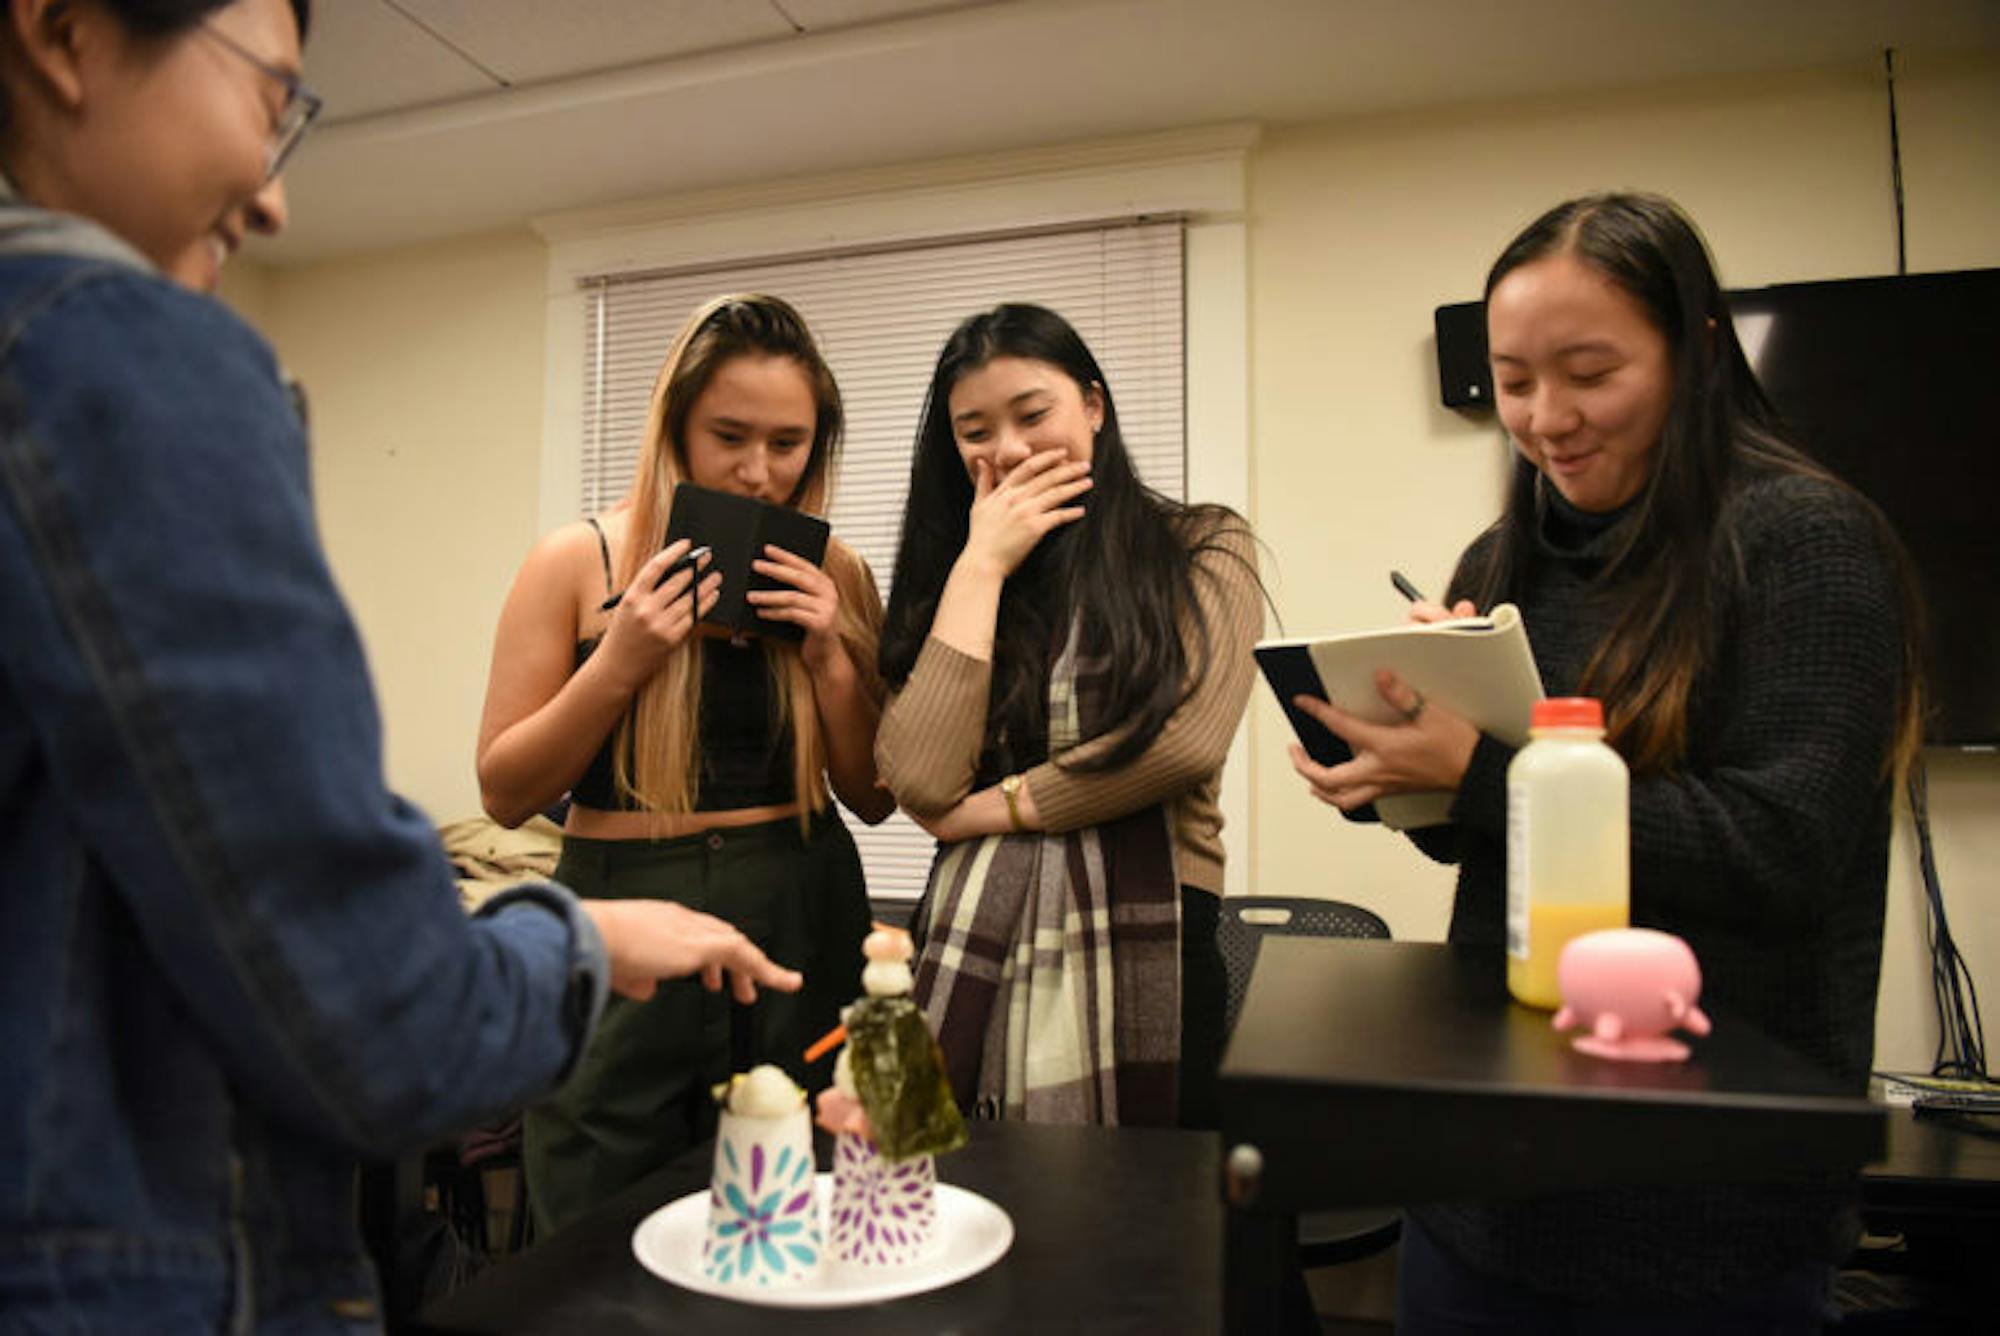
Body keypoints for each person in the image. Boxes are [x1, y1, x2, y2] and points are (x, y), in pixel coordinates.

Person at [0, 1, 802, 1330]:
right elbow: (379, 1018)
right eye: (271, 99)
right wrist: (581, 936)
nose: (273, 203)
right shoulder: (118, 359)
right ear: (63, 32)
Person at [1289, 193, 1924, 1332]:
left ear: (1697, 350)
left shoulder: (1803, 543)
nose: (1545, 418)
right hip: (1488, 1168)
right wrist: (1399, 768)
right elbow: (1490, 842)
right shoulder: (1506, 554)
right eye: (1514, 381)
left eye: (1589, 371)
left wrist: (1481, 769)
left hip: (1703, 1203)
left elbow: (1784, 849)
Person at [476, 292, 894, 1232]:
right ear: (675, 426)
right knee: (594, 1205)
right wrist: (620, 661)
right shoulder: (574, 561)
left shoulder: (840, 573)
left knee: (792, 1207)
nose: (757, 472)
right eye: (729, 436)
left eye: (787, 444)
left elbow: (871, 795)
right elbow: (504, 793)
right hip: (626, 903)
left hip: (799, 898)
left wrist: (830, 654)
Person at [876, 303, 1263, 1130]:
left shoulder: (1202, 546)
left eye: (1032, 414)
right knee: (953, 1201)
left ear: (1093, 405)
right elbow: (914, 776)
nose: (1006, 449)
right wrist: (981, 566)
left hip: (1156, 922)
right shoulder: (956, 576)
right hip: (967, 934)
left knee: (1144, 1221)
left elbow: (1184, 743)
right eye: (974, 430)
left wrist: (992, 808)